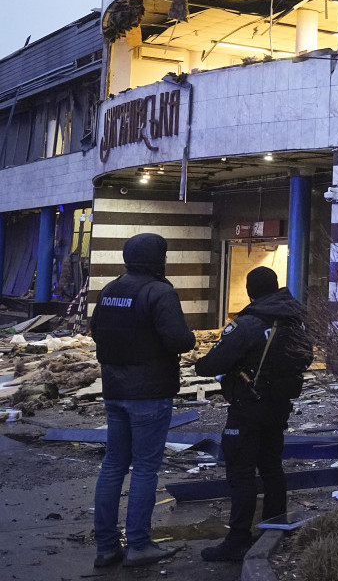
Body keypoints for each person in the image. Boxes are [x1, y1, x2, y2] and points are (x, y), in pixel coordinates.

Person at [91, 232, 196, 568]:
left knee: (112, 465)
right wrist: (191, 336)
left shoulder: (111, 289)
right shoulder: (159, 291)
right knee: (145, 469)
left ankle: (106, 547)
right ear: (157, 258)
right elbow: (178, 339)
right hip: (149, 392)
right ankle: (138, 544)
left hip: (115, 389)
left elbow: (97, 330)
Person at [195, 266, 313, 562]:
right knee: (272, 467)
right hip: (278, 406)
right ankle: (274, 528)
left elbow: (211, 364)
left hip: (248, 407)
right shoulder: (295, 321)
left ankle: (237, 540)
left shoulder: (246, 324)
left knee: (241, 472)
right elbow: (307, 357)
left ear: (250, 291)